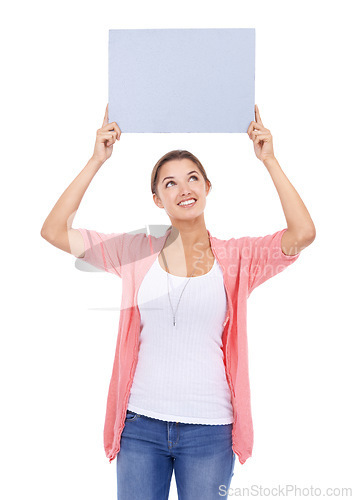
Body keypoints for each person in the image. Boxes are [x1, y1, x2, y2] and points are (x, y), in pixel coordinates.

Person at [41, 103, 316, 499]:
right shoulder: (135, 251)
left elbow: (302, 233)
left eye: (192, 178)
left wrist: (269, 160)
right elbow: (53, 230)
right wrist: (96, 160)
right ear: (157, 199)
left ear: (207, 187)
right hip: (141, 427)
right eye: (169, 183)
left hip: (209, 431)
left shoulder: (238, 259)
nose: (183, 188)